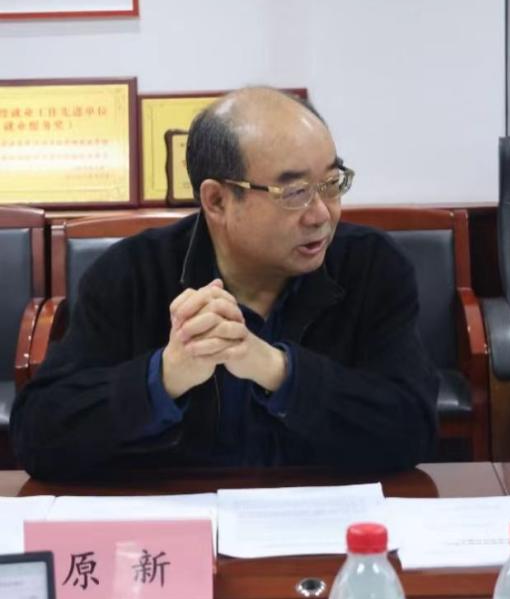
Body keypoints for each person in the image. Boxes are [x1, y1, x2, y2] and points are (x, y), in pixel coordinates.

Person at [11, 87, 438, 478]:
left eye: (331, 183)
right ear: (216, 200)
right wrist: (163, 377)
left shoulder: (370, 265)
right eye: (294, 193)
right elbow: (40, 435)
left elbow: (413, 428)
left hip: (323, 517)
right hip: (182, 519)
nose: (322, 214)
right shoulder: (133, 272)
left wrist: (278, 370)